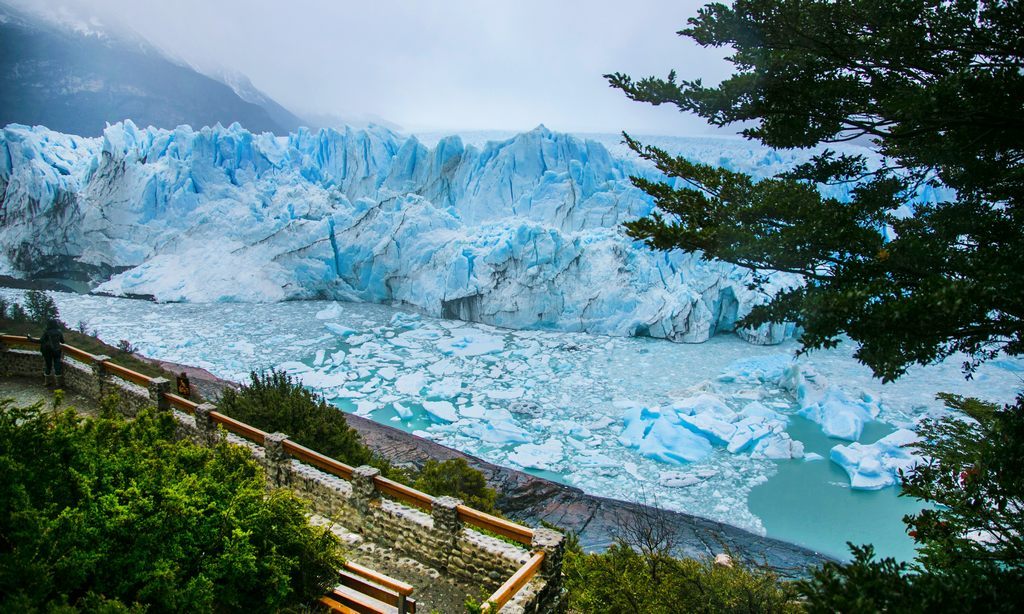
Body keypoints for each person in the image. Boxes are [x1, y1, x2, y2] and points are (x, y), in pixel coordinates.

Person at [38, 319, 64, 388]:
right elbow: (62, 341)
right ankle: (58, 384)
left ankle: (47, 382)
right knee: (57, 366)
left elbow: (41, 341)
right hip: (57, 351)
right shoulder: (59, 332)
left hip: (47, 351)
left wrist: (30, 339)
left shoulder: (47, 332)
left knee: (48, 366)